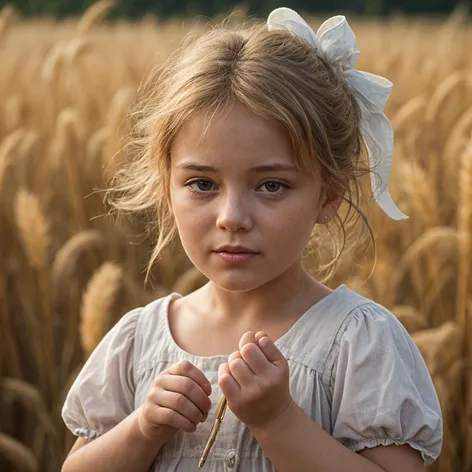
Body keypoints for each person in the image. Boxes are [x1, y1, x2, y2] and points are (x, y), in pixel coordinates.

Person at [61, 7, 442, 472]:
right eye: (202, 184)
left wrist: (279, 421)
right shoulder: (137, 343)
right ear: (167, 190)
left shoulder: (358, 343)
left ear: (329, 196)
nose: (232, 217)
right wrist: (142, 429)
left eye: (271, 185)